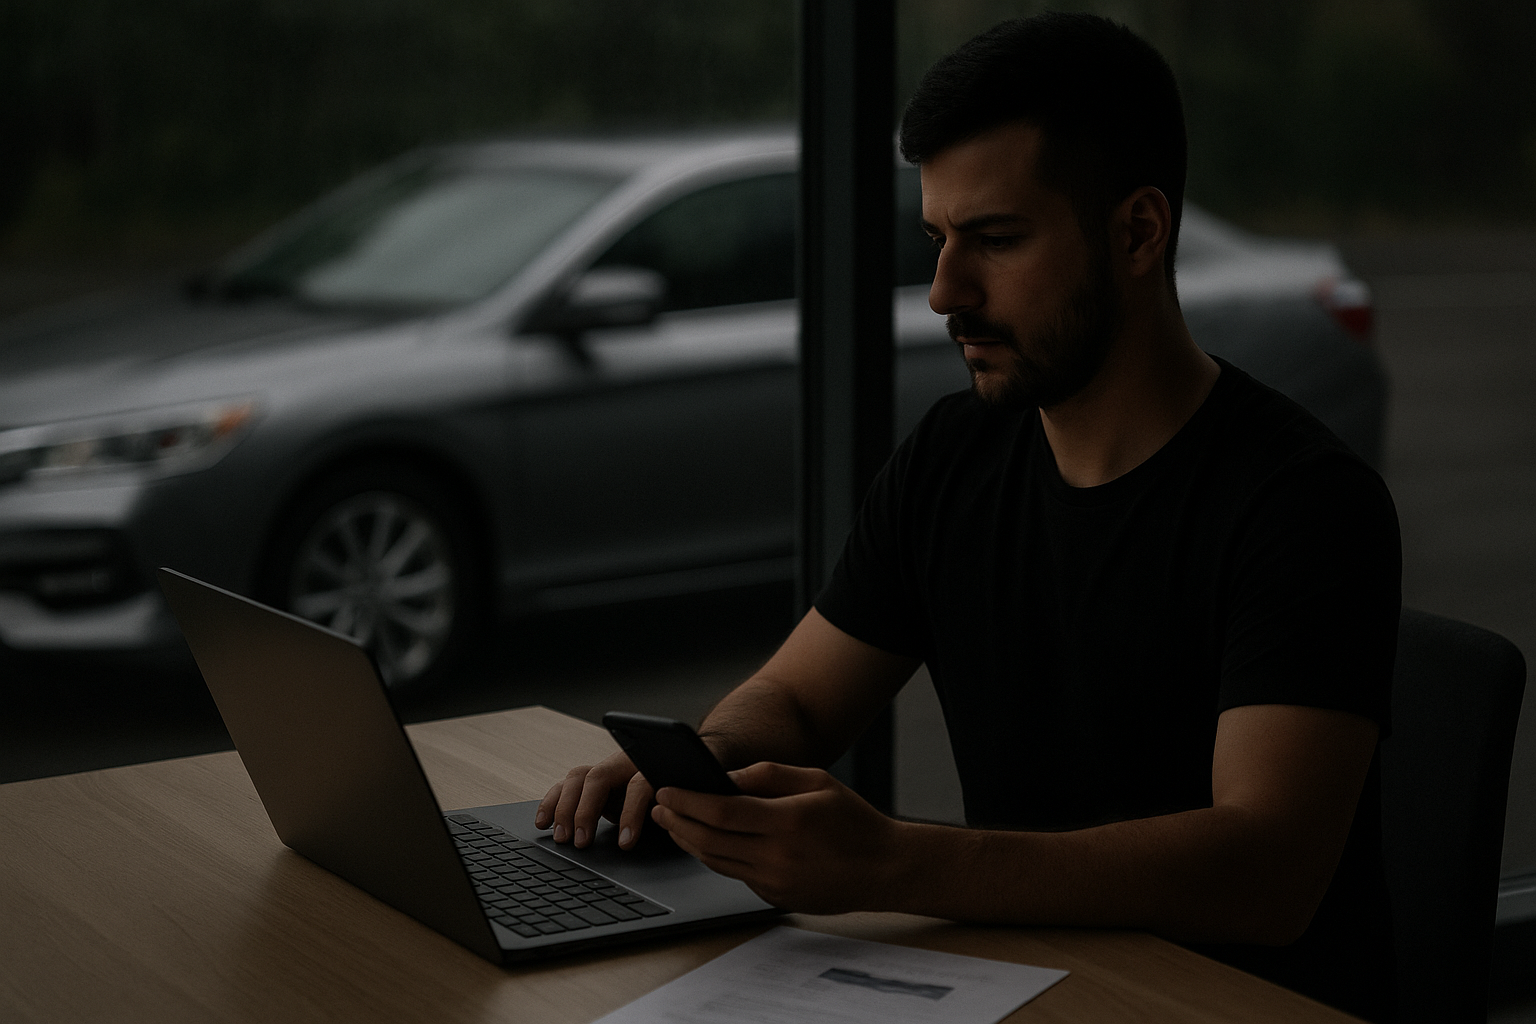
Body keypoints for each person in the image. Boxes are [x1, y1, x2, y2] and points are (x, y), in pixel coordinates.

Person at [537, 12, 1400, 1022]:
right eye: (939, 241)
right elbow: (803, 702)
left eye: (994, 240)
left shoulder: (1303, 502)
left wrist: (893, 861)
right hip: (1020, 985)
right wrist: (694, 764)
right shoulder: (955, 454)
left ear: (1138, 231)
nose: (946, 291)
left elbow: (1264, 873)